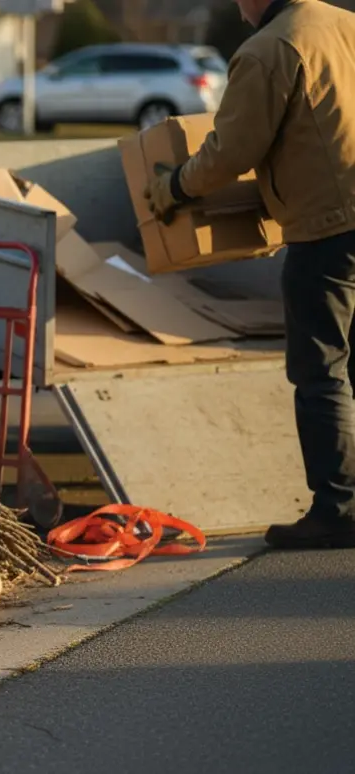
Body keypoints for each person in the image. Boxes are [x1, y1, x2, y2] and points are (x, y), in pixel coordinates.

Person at [145, 0, 355, 549]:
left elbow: (229, 152)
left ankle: (339, 509)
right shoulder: (345, 24)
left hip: (329, 231)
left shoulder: (268, 49)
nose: (238, 8)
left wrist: (172, 188)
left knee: (322, 371)